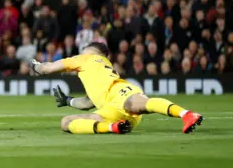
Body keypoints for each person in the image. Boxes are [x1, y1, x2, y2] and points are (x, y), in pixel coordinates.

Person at [31, 42, 203, 134]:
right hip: (110, 110)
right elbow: (88, 102)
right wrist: (69, 100)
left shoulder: (86, 58)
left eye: (85, 49)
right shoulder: (99, 70)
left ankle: (186, 114)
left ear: (92, 51)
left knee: (135, 104)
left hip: (119, 92)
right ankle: (112, 128)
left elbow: (47, 68)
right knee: (66, 122)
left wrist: (36, 66)